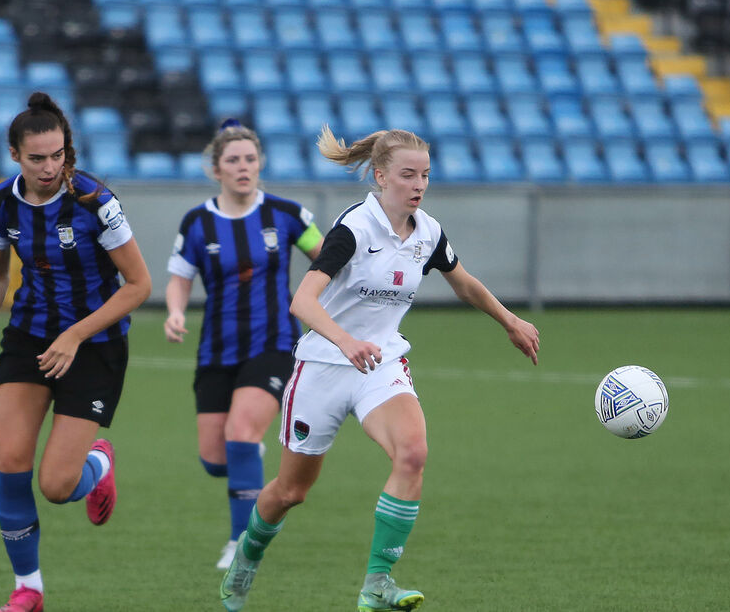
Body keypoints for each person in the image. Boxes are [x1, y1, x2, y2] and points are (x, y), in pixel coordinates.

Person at [219, 125, 541, 612]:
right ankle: (248, 553)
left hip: (381, 363)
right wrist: (346, 341)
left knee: (412, 453)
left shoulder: (428, 232)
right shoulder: (354, 229)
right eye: (408, 175)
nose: (418, 185)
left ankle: (377, 582)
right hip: (324, 365)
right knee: (290, 491)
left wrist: (510, 320)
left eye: (425, 175)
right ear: (380, 175)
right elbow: (302, 302)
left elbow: (464, 283)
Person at [0, 92, 152, 612]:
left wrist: (75, 335)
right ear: (15, 155)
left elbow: (139, 285)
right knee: (11, 461)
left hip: (93, 344)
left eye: (58, 155)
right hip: (29, 336)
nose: (50, 166)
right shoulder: (0, 204)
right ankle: (28, 589)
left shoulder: (96, 201)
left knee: (55, 487)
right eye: (38, 158)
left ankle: (97, 464)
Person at [164, 119, 324, 570]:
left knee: (240, 432)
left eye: (250, 159)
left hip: (272, 345)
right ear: (216, 169)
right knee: (217, 461)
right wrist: (176, 310)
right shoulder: (197, 222)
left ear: (260, 164)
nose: (242, 167)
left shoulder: (287, 215)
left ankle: (240, 543)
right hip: (216, 350)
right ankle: (248, 453)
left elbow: (328, 256)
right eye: (232, 160)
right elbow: (179, 279)